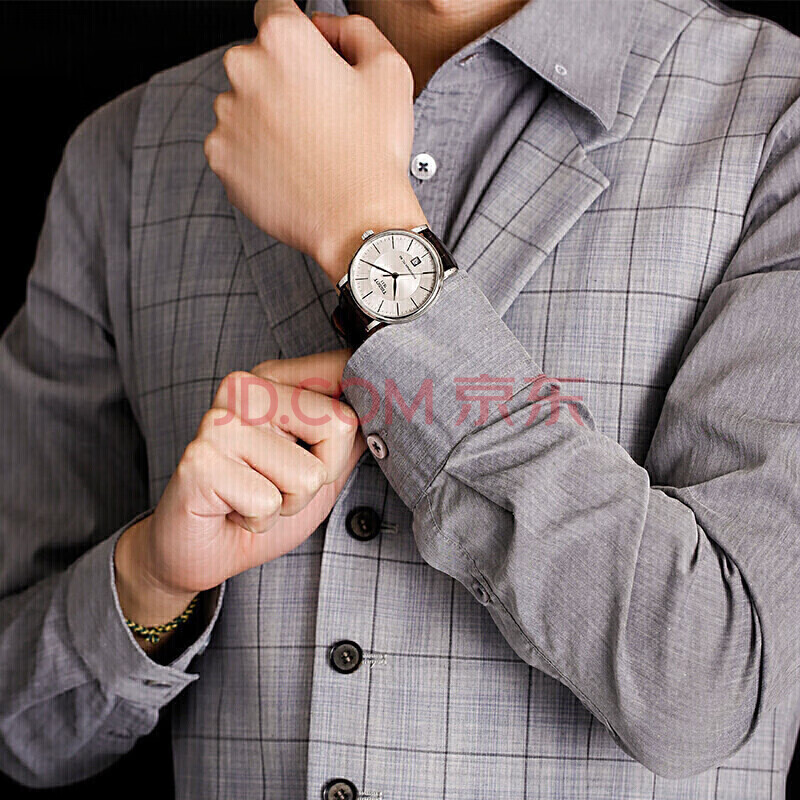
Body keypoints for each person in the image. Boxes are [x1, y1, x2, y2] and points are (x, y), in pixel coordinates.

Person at [2, 0, 800, 797]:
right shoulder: (130, 154)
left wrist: (364, 231)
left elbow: (707, 689)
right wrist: (151, 585)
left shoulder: (776, 119)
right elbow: (20, 730)